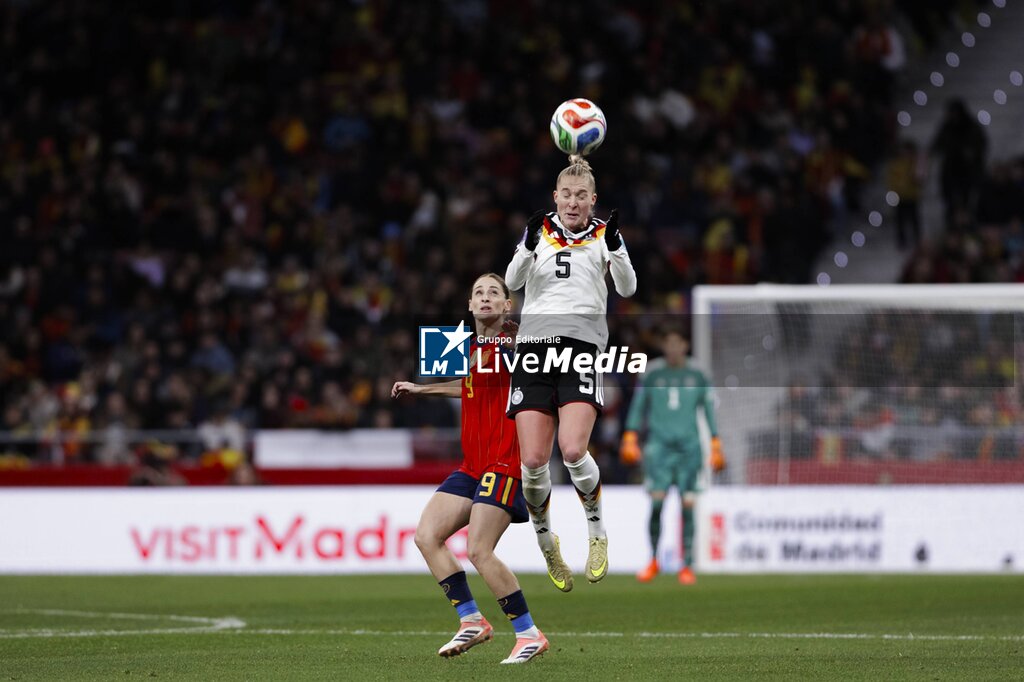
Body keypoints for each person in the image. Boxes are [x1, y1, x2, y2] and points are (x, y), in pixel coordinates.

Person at [391, 273, 548, 665]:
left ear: (507, 305)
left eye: (494, 292)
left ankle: (529, 633)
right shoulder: (470, 347)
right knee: (426, 536)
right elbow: (469, 384)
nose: (485, 297)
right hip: (472, 466)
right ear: (469, 304)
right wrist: (421, 387)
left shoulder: (516, 345)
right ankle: (471, 620)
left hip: (504, 461)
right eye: (478, 292)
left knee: (479, 549)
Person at [505, 154, 637, 591]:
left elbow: (628, 288)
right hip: (532, 350)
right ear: (555, 197)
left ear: (593, 200)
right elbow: (511, 282)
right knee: (532, 460)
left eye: (582, 196)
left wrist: (616, 247)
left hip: (581, 348)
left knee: (574, 449)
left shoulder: (604, 236)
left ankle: (596, 531)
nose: (574, 202)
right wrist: (525, 245)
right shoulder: (539, 232)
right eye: (567, 194)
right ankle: (547, 544)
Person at [619, 330, 724, 584]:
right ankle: (654, 559)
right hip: (660, 449)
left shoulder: (698, 374)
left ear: (686, 345)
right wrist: (630, 436)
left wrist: (715, 442)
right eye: (669, 343)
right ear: (664, 345)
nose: (674, 348)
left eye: (678, 343)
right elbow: (638, 405)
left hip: (689, 449)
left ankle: (686, 565)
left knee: (688, 505)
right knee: (656, 504)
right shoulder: (652, 373)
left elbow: (708, 409)